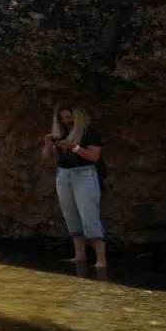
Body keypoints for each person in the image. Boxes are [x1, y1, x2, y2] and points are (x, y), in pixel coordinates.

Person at [41, 105, 107, 269]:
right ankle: (80, 255)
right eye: (62, 119)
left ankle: (101, 260)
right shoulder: (60, 133)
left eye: (69, 118)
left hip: (85, 174)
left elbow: (94, 156)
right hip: (64, 175)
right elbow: (45, 157)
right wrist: (48, 144)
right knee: (70, 215)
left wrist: (74, 147)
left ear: (77, 117)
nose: (66, 122)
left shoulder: (89, 132)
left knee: (89, 215)